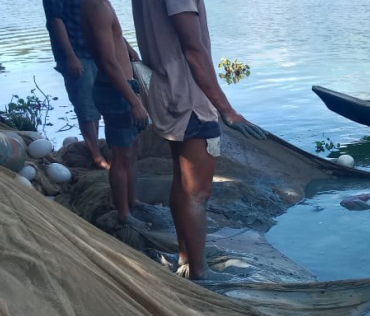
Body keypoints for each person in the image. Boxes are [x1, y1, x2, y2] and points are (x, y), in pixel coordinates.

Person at [131, 0, 266, 281]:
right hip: (189, 99)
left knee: (182, 183)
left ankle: (185, 257)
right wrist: (227, 111)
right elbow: (194, 49)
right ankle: (200, 272)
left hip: (168, 92)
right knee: (197, 194)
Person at [80, 0, 150, 230]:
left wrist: (126, 45)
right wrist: (134, 102)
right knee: (121, 156)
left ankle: (133, 201)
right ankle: (124, 214)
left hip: (123, 86)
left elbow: (111, 38)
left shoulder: (103, 3)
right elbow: (108, 63)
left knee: (132, 152)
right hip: (115, 90)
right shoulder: (96, 7)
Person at [43, 0, 109, 169]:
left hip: (95, 52)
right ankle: (96, 156)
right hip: (77, 55)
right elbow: (55, 21)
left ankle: (96, 149)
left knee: (96, 105)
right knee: (85, 107)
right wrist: (70, 56)